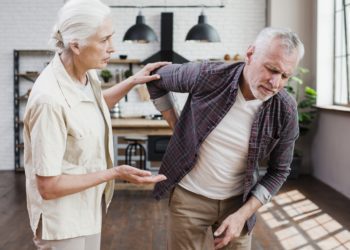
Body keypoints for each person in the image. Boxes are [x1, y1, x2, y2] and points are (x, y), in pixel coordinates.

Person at [23, 0, 169, 249]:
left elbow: (92, 105)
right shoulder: (49, 100)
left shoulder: (85, 75)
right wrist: (115, 173)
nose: (112, 48)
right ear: (76, 45)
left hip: (87, 210)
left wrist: (133, 81)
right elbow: (48, 186)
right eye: (104, 40)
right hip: (62, 223)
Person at [147, 27, 304, 250]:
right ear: (250, 54)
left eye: (285, 76)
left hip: (238, 202)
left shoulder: (285, 109)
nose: (275, 83)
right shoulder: (208, 75)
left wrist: (242, 215)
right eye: (271, 69)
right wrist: (176, 124)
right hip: (189, 198)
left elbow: (279, 171)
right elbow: (155, 79)